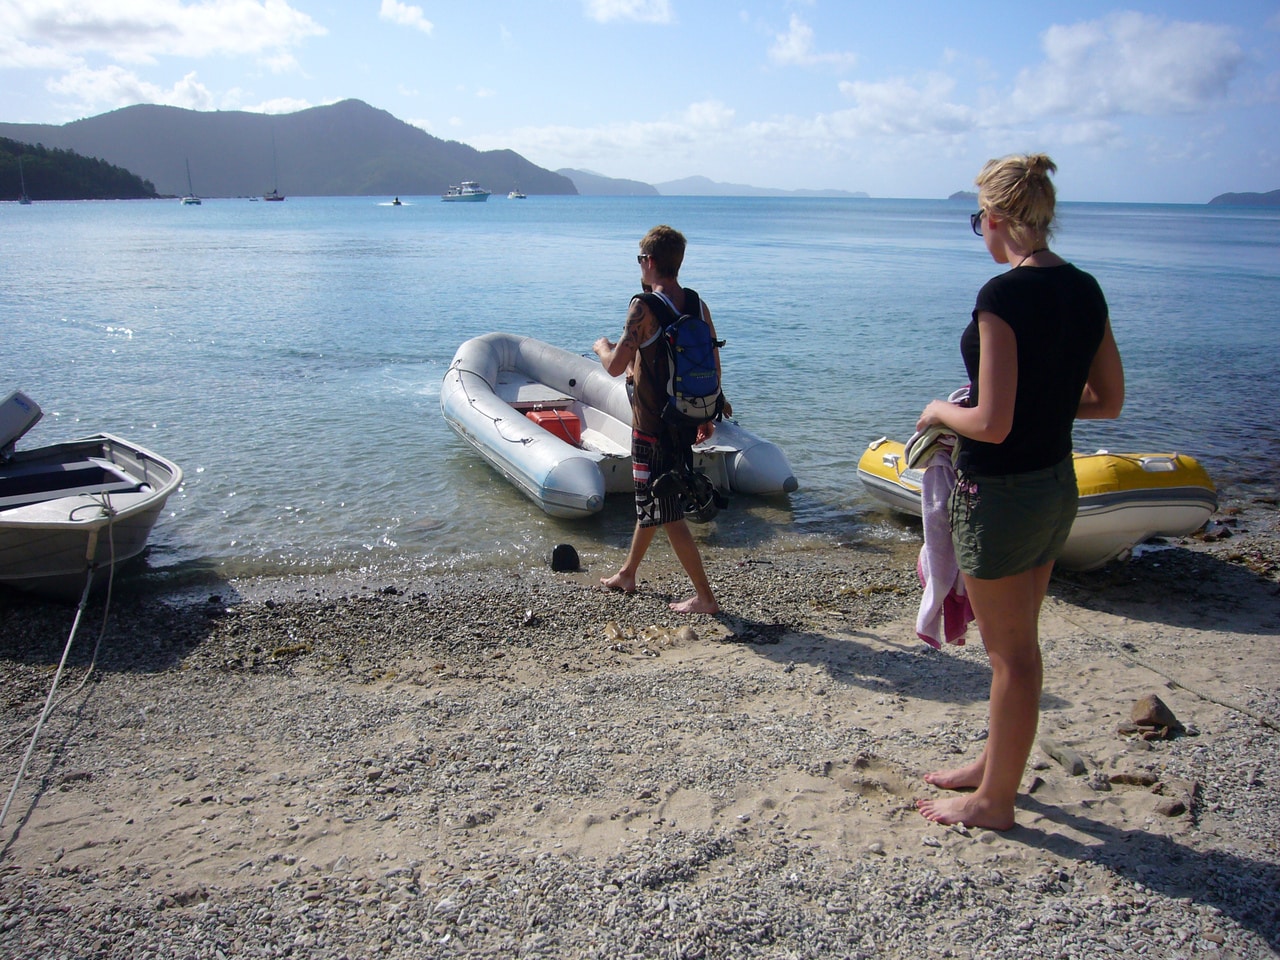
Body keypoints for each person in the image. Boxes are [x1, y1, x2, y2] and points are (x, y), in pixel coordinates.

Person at [914, 154, 1125, 830]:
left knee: (1011, 657)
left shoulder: (1001, 297)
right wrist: (1044, 405)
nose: (979, 231)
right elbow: (1107, 400)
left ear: (998, 219)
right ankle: (992, 767)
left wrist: (938, 412)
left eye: (978, 219)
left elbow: (991, 423)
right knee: (1018, 648)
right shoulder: (1086, 289)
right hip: (1054, 487)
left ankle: (993, 801)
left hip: (1001, 496)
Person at [592, 225, 722, 614]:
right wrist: (709, 411)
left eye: (639, 260)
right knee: (654, 498)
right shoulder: (697, 304)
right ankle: (628, 573)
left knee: (667, 510)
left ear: (649, 262)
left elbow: (615, 367)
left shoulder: (643, 307)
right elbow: (713, 360)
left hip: (651, 425)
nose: (639, 267)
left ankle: (705, 597)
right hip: (684, 416)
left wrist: (602, 348)